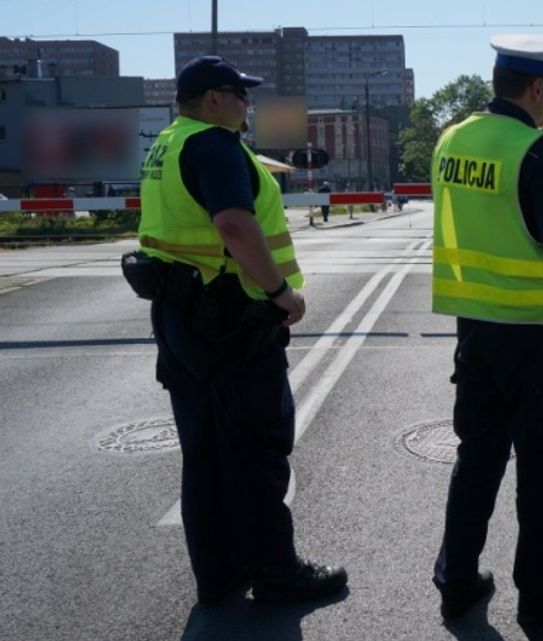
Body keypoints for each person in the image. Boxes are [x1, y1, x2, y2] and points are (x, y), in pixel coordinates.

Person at [137, 55, 347, 606]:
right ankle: (277, 573)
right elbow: (233, 223)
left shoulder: (168, 143)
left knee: (204, 453)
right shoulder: (214, 145)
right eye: (239, 95)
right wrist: (281, 293)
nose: (247, 105)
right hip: (231, 318)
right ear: (212, 100)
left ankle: (220, 575)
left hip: (182, 318)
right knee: (256, 449)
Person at [429, 34, 543, 631]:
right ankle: (541, 596)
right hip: (538, 337)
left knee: (476, 459)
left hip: (475, 332)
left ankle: (456, 582)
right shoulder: (538, 153)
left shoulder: (452, 140)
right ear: (535, 87)